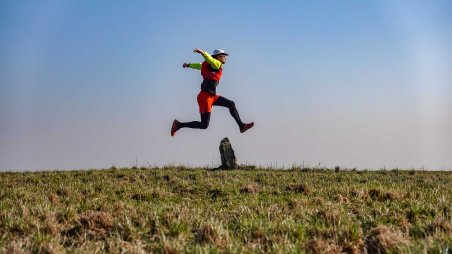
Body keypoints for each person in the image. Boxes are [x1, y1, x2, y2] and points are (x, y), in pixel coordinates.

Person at [171, 49, 254, 136]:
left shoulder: (208, 65)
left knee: (231, 104)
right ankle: (179, 125)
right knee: (204, 125)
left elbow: (199, 65)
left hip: (211, 96)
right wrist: (203, 53)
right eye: (223, 56)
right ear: (218, 57)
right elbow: (210, 59)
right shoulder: (217, 63)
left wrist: (188, 65)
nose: (225, 58)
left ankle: (241, 126)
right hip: (205, 97)